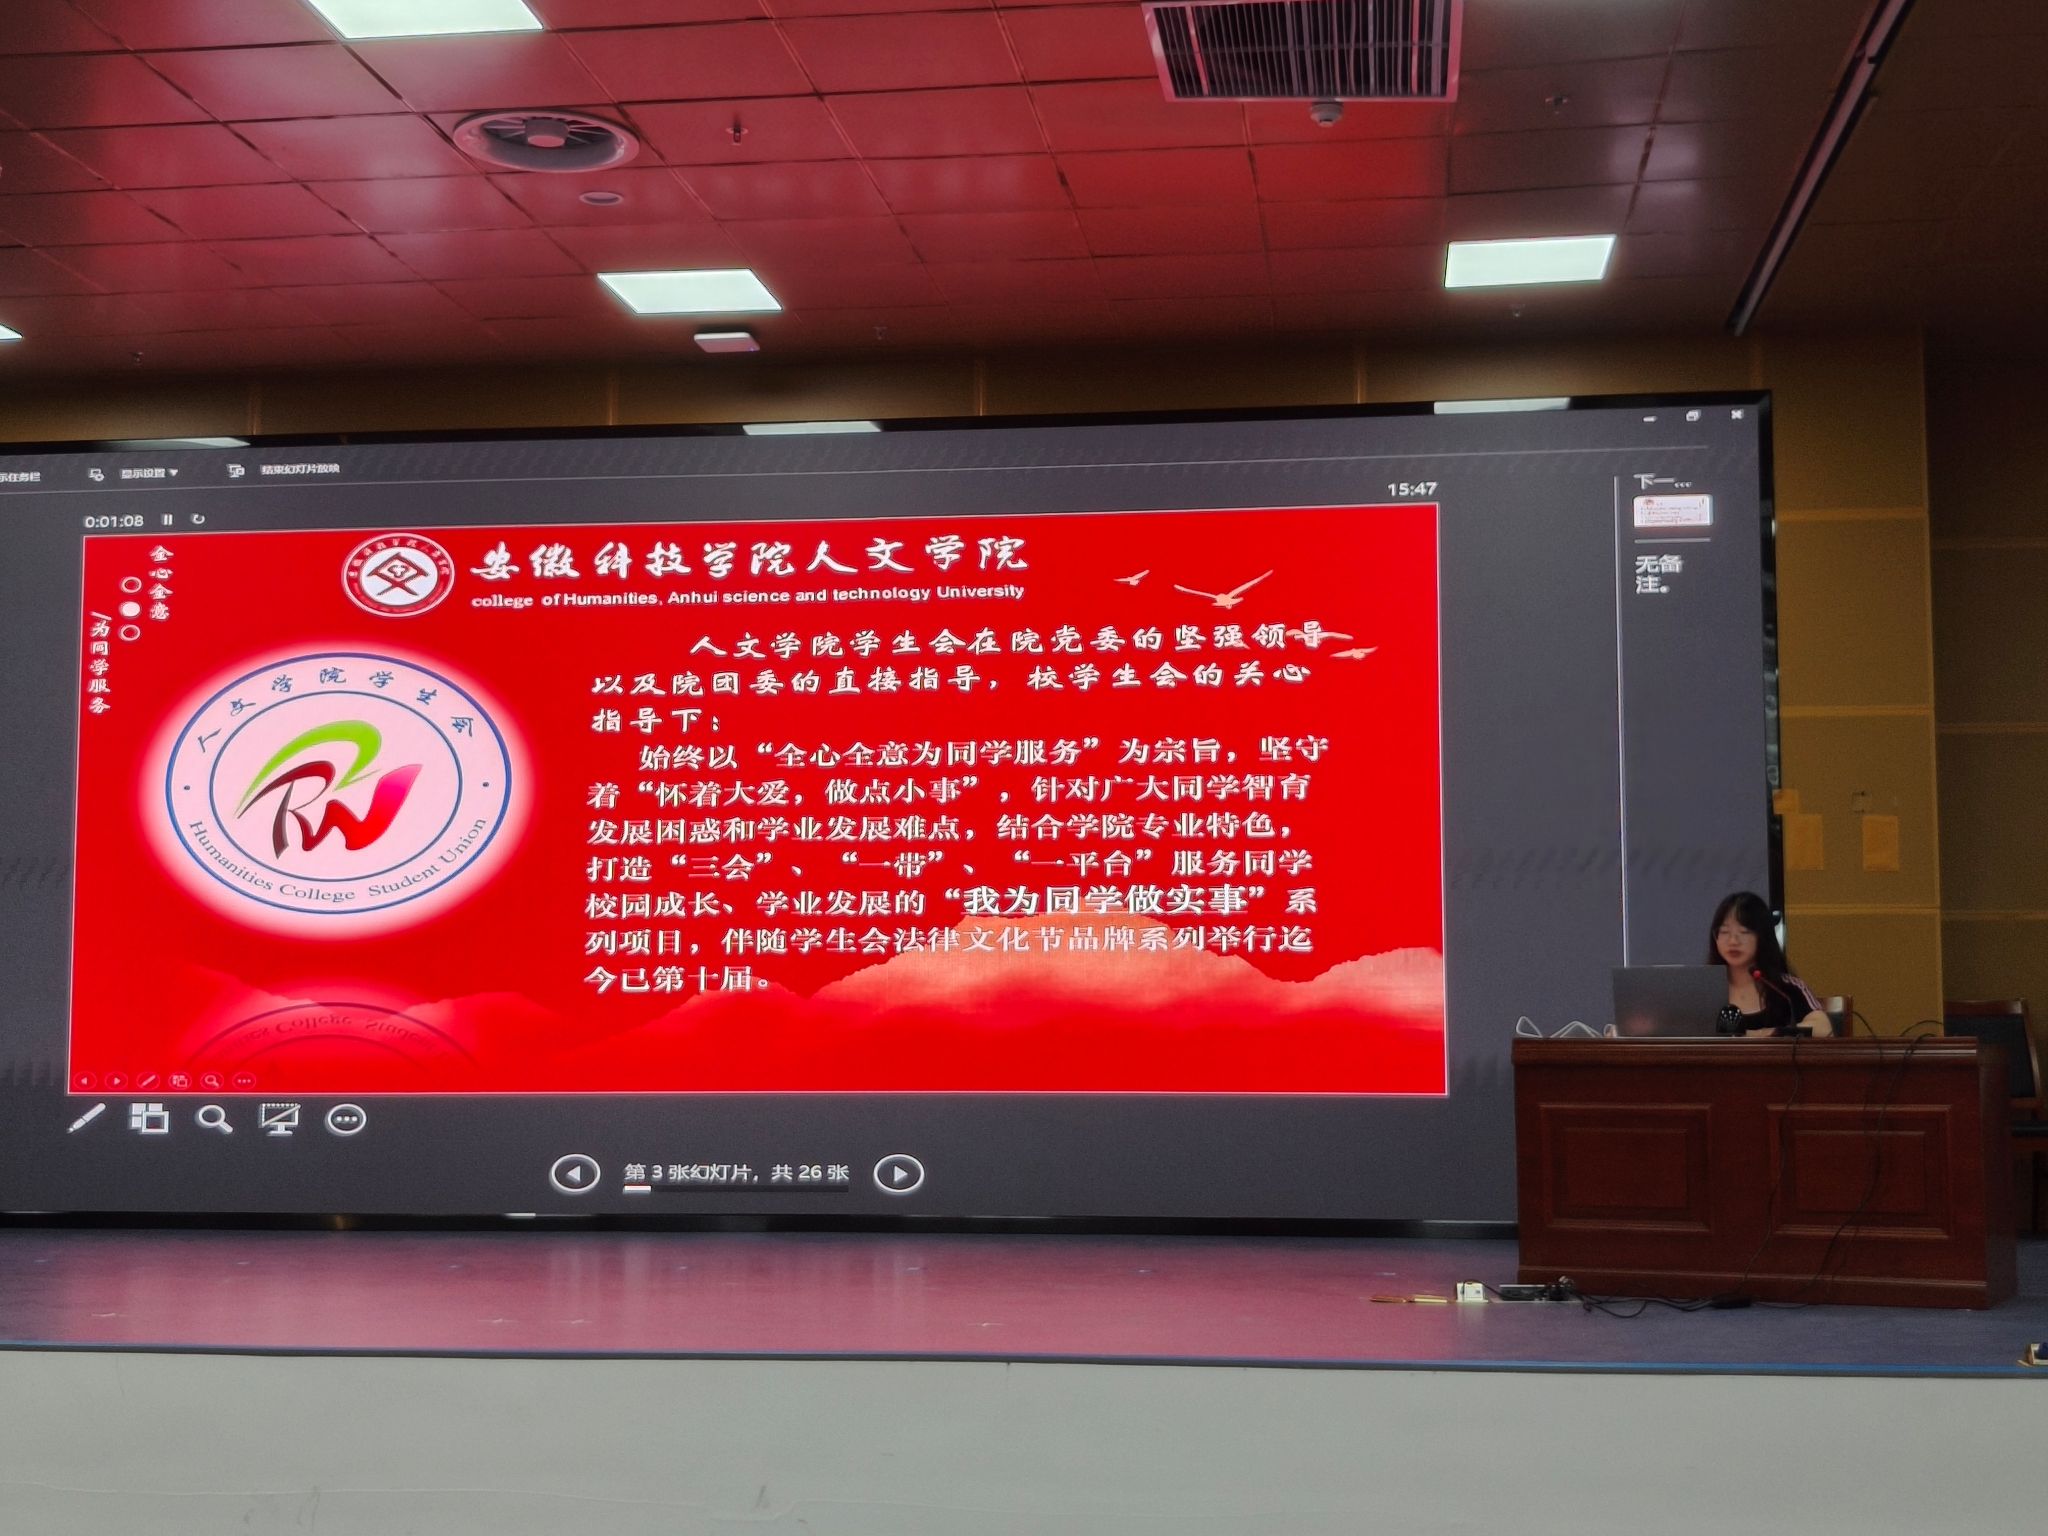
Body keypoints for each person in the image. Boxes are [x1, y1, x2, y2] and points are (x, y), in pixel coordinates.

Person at [1708, 891, 1833, 1037]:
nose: (1733, 941)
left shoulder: (1786, 989)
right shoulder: (1703, 989)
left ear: (1763, 936)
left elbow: (1824, 1028)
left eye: (1744, 931)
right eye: (1724, 932)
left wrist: (1769, 1034)